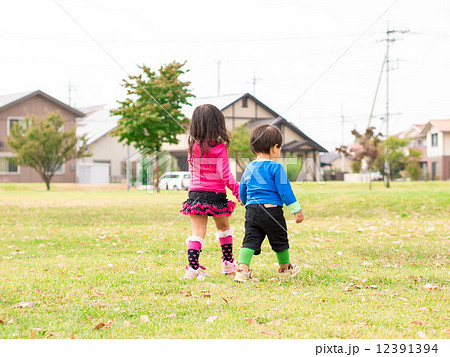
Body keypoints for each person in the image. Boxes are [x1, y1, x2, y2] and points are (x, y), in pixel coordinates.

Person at [234, 124, 304, 282]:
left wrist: (246, 203)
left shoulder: (249, 167)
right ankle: (285, 269)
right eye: (280, 148)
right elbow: (285, 192)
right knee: (280, 239)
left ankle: (242, 270)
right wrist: (296, 210)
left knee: (250, 239)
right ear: (275, 148)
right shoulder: (276, 167)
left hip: (252, 211)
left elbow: (242, 189)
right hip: (272, 211)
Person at [181, 104, 240, 280]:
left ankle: (193, 268)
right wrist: (238, 193)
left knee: (197, 233)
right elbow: (225, 175)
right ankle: (228, 263)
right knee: (223, 228)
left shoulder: (192, 147)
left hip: (196, 194)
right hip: (216, 195)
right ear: (217, 124)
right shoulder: (220, 148)